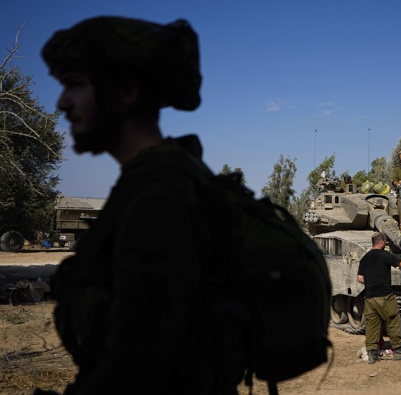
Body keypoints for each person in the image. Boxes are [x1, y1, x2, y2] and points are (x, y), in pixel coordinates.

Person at [38, 16, 241, 394]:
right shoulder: (160, 182)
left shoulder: (161, 199)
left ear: (126, 92)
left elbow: (137, 366)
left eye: (75, 84)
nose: (62, 102)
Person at [357, 232, 401, 364]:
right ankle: (399, 350)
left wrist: (372, 282)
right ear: (382, 242)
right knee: (393, 320)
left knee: (372, 324)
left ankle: (372, 353)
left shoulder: (365, 258)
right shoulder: (384, 255)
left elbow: (360, 278)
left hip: (369, 297)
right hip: (384, 295)